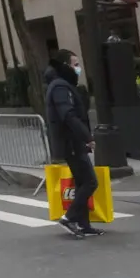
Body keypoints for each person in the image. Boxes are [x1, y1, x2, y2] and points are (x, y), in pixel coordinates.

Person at [44, 50, 102, 237]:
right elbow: (68, 115)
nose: (78, 68)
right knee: (90, 182)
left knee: (82, 182)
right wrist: (87, 137)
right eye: (74, 64)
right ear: (64, 65)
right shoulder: (61, 87)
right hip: (71, 142)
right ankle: (69, 218)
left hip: (72, 141)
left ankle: (83, 224)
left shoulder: (62, 85)